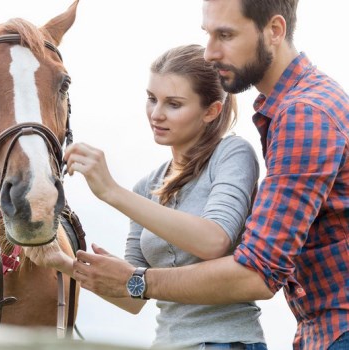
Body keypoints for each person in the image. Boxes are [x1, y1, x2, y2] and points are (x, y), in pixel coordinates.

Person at [69, 1, 349, 349]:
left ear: (274, 31)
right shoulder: (290, 111)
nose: (211, 53)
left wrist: (135, 277)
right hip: (320, 329)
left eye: (226, 35)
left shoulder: (302, 114)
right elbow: (130, 293)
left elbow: (258, 272)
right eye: (208, 34)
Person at [27, 44, 267, 349]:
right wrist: (60, 261)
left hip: (226, 342)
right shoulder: (148, 185)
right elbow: (133, 295)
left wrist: (111, 192)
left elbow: (214, 240)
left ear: (211, 111)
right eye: (152, 99)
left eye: (174, 104)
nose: (156, 114)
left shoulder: (232, 154)